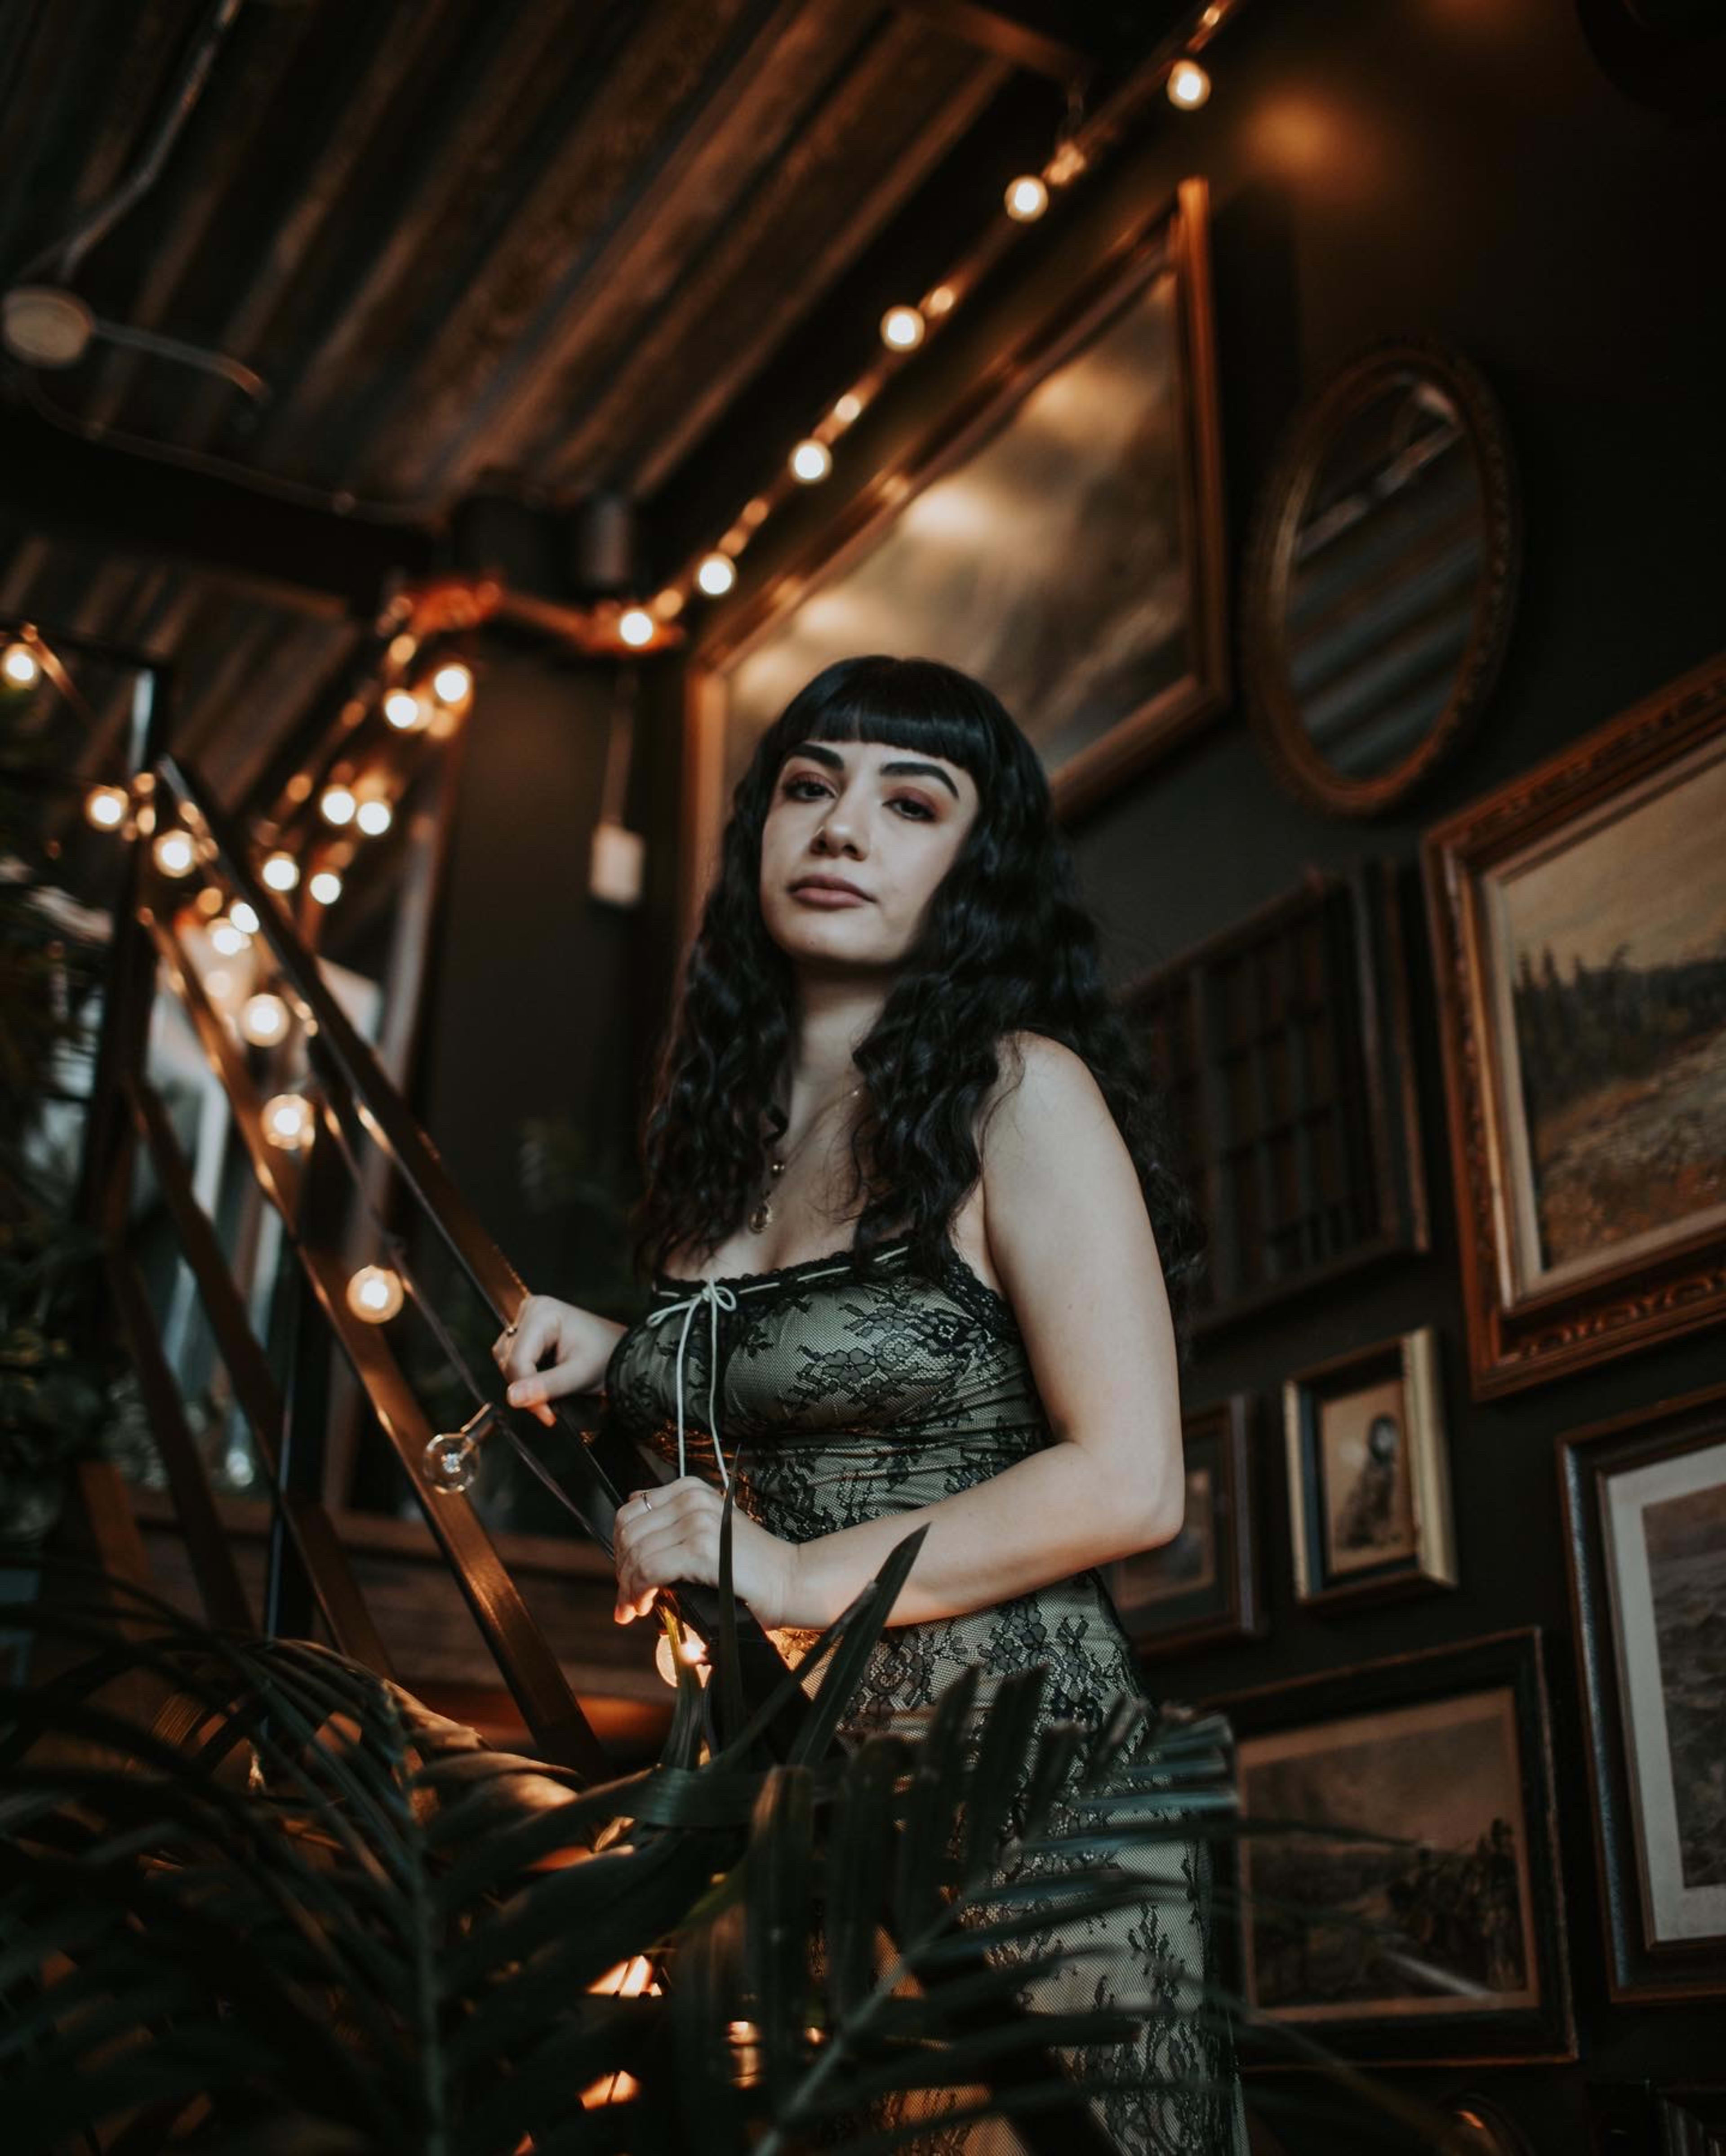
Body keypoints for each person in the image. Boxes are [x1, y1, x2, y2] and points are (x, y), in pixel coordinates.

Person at [492, 653, 1249, 2153]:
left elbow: (1130, 1483)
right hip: (779, 1788)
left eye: (910, 802)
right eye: (807, 787)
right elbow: (800, 1371)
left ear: (977, 872)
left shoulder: (1016, 1092)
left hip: (1012, 1773)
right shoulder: (719, 1158)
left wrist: (785, 1575)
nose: (840, 828)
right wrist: (628, 1346)